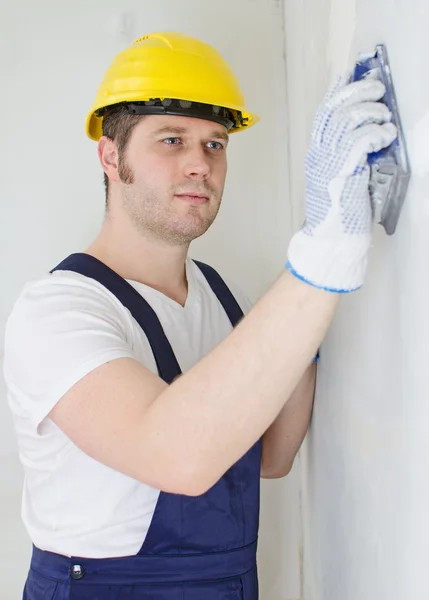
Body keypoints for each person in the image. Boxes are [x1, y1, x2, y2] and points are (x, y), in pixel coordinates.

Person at [3, 31, 396, 600]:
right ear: (111, 157)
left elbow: (272, 454)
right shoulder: (58, 311)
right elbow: (177, 457)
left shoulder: (217, 294)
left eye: (215, 144)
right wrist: (321, 257)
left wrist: (306, 321)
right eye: (171, 139)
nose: (199, 165)